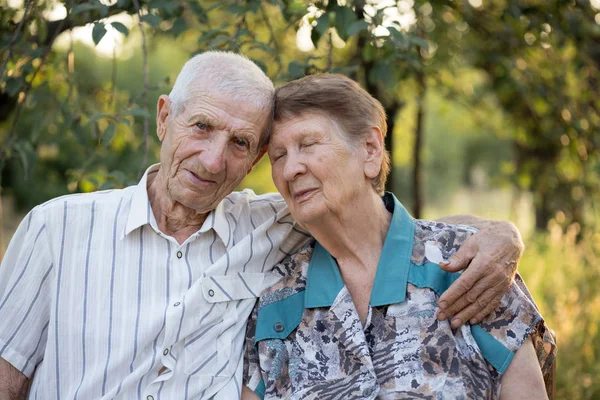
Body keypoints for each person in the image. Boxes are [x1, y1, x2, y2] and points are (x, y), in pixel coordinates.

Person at [0, 52, 525, 399]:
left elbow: (377, 222)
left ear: (253, 162)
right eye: (200, 126)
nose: (211, 160)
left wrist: (501, 234)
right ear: (165, 118)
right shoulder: (57, 230)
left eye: (240, 144)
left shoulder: (277, 223)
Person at [242, 74, 556, 399]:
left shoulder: (473, 266)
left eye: (307, 144)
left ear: (370, 150)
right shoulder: (274, 302)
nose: (291, 168)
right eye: (278, 156)